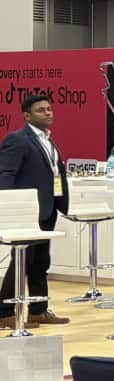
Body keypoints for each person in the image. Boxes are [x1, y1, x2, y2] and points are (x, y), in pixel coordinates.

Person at [0, 90, 71, 328]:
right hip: (27, 210)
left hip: (48, 207)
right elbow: (6, 174)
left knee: (41, 261)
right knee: (22, 261)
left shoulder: (47, 139)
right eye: (41, 110)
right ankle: (4, 312)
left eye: (49, 109)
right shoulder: (17, 139)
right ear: (27, 116)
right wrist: (10, 207)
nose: (48, 113)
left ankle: (38, 310)